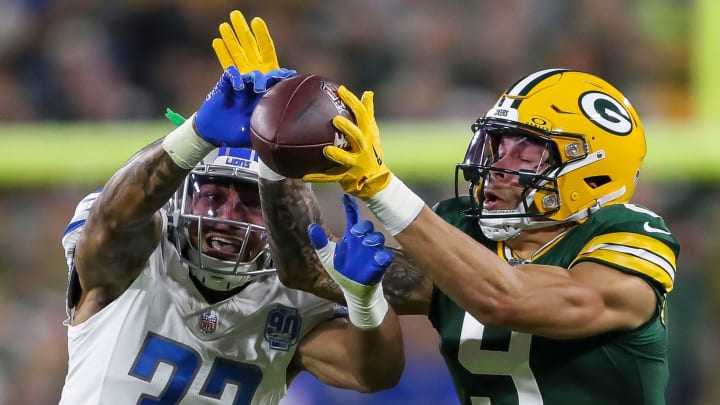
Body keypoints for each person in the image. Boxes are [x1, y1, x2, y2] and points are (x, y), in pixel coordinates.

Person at [259, 68, 680, 404]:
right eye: (498, 143)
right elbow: (308, 270)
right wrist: (272, 146)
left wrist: (380, 187)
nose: (499, 164)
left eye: (528, 150)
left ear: (593, 171)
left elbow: (507, 298)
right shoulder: (466, 230)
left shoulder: (631, 236)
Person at [58, 11, 404, 404]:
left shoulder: (294, 290)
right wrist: (196, 133)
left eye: (251, 203)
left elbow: (374, 373)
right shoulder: (140, 253)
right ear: (182, 197)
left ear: (276, 215)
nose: (228, 217)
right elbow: (112, 221)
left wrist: (365, 300)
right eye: (214, 196)